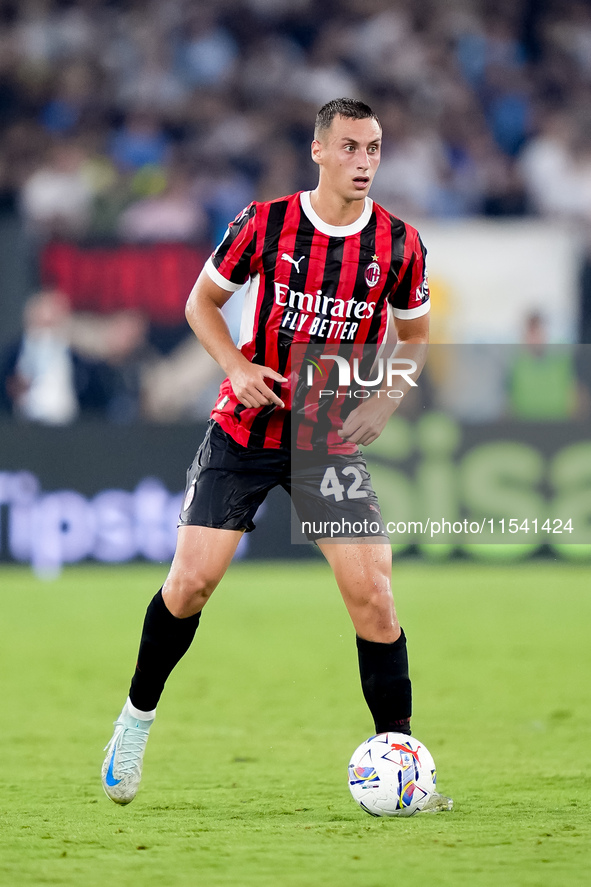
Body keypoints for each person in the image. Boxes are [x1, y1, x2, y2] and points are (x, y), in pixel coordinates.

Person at [101, 98, 450, 812]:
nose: (364, 163)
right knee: (191, 584)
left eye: (374, 149)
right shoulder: (266, 223)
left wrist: (384, 400)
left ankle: (406, 764)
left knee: (374, 598)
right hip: (246, 426)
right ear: (318, 151)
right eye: (350, 148)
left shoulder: (399, 243)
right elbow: (202, 303)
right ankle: (134, 721)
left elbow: (414, 335)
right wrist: (233, 365)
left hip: (325, 438)